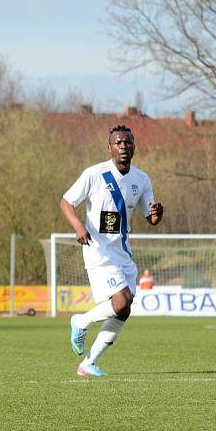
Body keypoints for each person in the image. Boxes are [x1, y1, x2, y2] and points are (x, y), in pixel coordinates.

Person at [61, 125, 163, 377]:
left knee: (124, 310)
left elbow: (151, 218)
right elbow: (66, 202)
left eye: (127, 143)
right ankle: (81, 321)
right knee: (121, 301)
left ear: (134, 147)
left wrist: (157, 213)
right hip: (98, 251)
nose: (123, 147)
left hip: (123, 253)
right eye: (118, 143)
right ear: (109, 148)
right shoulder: (95, 174)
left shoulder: (141, 179)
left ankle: (89, 363)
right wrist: (77, 227)